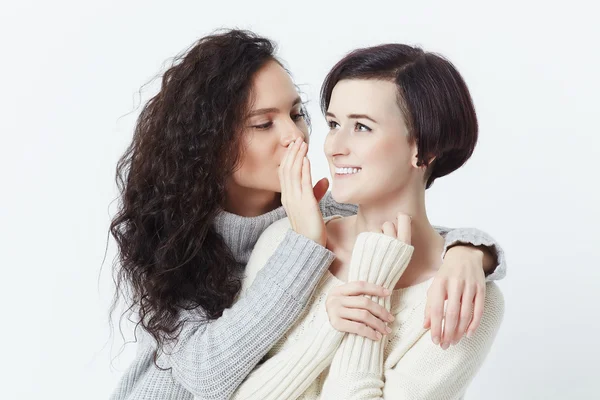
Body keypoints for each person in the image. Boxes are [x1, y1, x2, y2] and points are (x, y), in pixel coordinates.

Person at [109, 30, 506, 400]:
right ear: (208, 144)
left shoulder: (322, 212)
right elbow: (208, 375)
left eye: (298, 114)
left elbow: (402, 231)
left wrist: (470, 251)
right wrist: (305, 245)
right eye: (264, 123)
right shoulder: (171, 240)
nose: (298, 136)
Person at [230, 43, 504, 399]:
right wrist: (325, 331)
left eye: (361, 127)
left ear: (424, 148)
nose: (333, 146)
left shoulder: (463, 299)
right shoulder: (286, 240)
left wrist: (372, 283)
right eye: (333, 124)